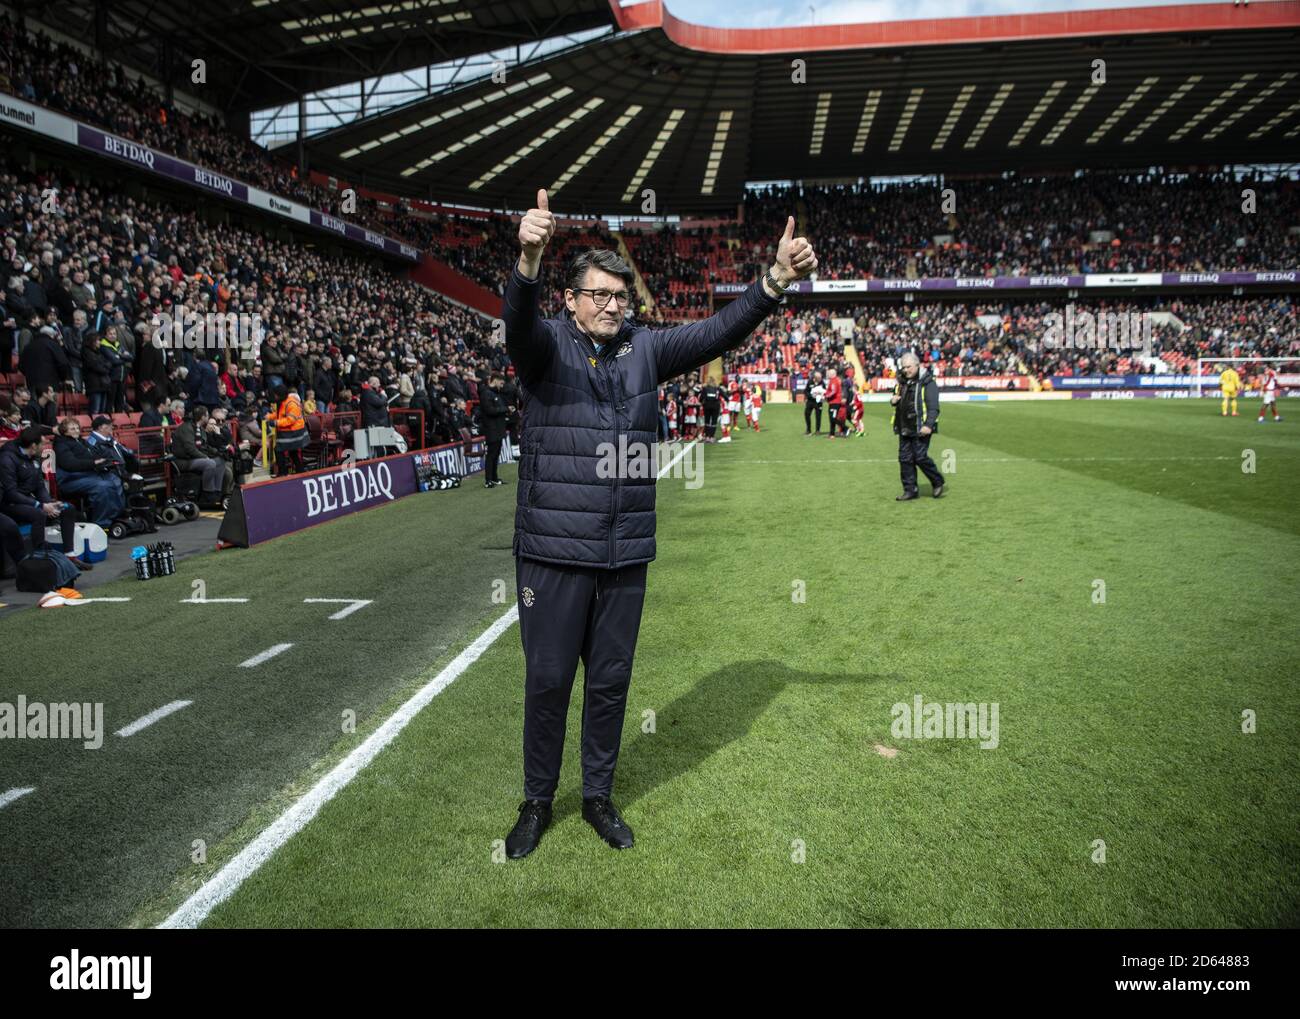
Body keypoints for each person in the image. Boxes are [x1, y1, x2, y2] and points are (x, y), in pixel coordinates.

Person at [500, 187, 816, 858]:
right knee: (549, 681)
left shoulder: (646, 349)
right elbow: (516, 326)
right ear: (571, 298)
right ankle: (535, 802)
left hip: (624, 552)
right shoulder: (545, 347)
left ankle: (597, 797)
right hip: (554, 551)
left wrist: (773, 283)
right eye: (598, 294)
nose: (613, 305)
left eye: (621, 295)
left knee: (611, 682)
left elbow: (714, 333)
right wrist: (527, 260)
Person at [0, 425, 88, 567]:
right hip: (9, 504)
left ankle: (69, 556)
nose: (46, 445)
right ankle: (41, 559)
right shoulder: (7, 459)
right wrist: (40, 505)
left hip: (28, 501)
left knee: (67, 508)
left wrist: (49, 503)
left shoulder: (35, 458)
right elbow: (10, 493)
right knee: (38, 514)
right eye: (43, 443)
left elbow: (39, 486)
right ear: (34, 446)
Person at [891, 352, 945, 500]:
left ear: (917, 365)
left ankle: (937, 481)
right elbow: (896, 397)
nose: (906, 370)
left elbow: (933, 407)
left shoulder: (928, 382)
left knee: (920, 457)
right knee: (905, 458)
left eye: (908, 367)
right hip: (904, 425)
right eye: (903, 367)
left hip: (921, 426)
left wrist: (929, 425)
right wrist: (893, 400)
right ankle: (910, 490)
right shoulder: (902, 382)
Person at [53, 417, 123, 528]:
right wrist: (94, 463)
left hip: (87, 475)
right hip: (70, 479)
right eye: (72, 429)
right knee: (103, 486)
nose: (76, 430)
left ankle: (114, 516)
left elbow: (92, 456)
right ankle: (100, 524)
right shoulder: (61, 444)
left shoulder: (81, 441)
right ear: (65, 431)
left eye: (77, 428)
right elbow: (70, 464)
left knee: (115, 479)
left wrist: (104, 460)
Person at [172, 407, 234, 508]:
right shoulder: (186, 428)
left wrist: (217, 453)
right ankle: (208, 493)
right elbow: (190, 449)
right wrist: (205, 457)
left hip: (195, 458)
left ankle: (217, 492)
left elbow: (205, 446)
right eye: (207, 415)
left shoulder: (198, 428)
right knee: (210, 463)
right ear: (203, 417)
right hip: (184, 461)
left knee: (220, 460)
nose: (209, 417)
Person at [266, 383, 308, 475]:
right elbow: (280, 414)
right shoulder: (284, 401)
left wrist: (276, 423)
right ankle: (300, 471)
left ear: (280, 394)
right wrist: (269, 417)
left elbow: (290, 420)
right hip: (290, 432)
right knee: (293, 452)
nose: (275, 396)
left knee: (279, 450)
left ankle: (283, 473)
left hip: (294, 432)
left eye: (276, 394)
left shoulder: (291, 403)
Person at [477, 372, 508, 488]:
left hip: (499, 428)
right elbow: (490, 411)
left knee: (496, 454)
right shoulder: (486, 394)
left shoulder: (495, 394)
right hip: (491, 429)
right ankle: (488, 480)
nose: (501, 386)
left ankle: (494, 477)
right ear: (495, 380)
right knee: (491, 455)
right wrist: (504, 409)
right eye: (500, 383)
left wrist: (505, 410)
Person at [804, 370, 825, 435]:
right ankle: (808, 430)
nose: (820, 379)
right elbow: (805, 391)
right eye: (819, 378)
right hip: (810, 401)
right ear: (815, 378)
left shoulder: (822, 383)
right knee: (807, 414)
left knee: (818, 416)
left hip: (818, 402)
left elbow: (824, 391)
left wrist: (821, 396)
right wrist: (811, 396)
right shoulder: (810, 382)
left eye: (820, 378)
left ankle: (817, 430)